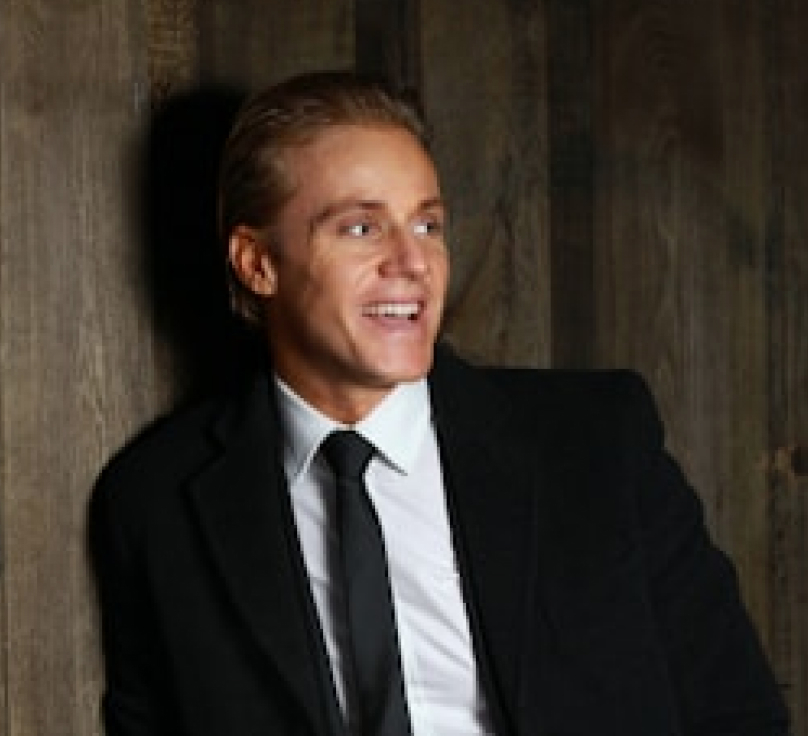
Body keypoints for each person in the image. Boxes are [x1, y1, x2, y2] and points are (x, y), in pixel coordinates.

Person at [91, 71, 790, 736]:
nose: (413, 262)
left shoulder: (595, 443)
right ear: (258, 262)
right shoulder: (157, 503)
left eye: (427, 225)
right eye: (361, 228)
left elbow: (734, 712)